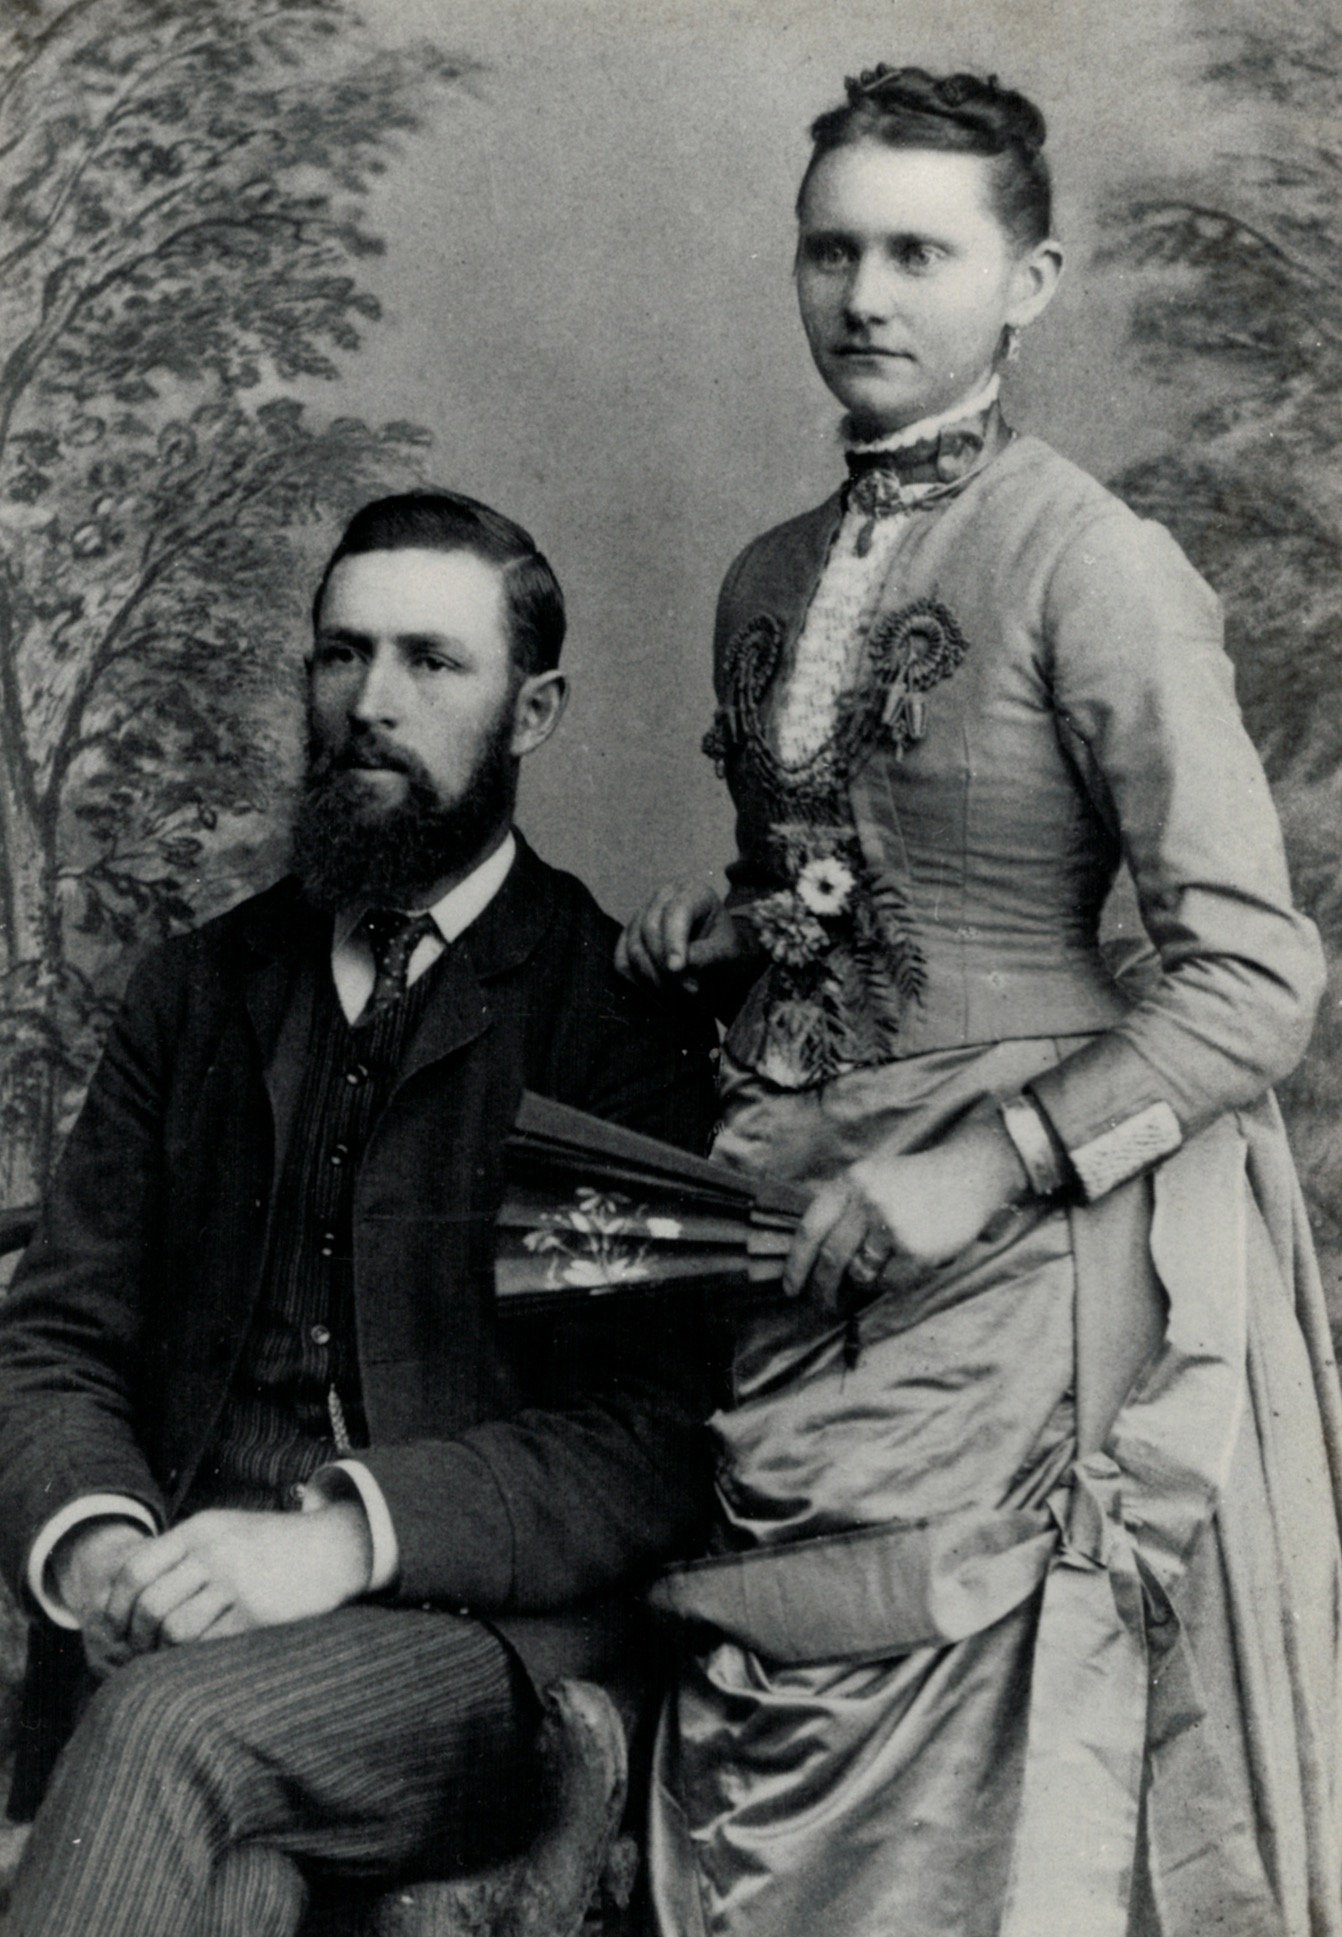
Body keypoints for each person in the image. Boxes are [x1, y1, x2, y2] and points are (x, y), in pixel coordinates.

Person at [618, 65, 1342, 1937]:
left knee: (990, 1805)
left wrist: (988, 1161)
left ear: (1027, 283)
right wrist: (733, 931)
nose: (864, 295)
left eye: (918, 255)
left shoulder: (1095, 563)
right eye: (830, 250)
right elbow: (853, 877)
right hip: (792, 1226)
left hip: (1023, 1274)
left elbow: (1256, 975)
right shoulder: (763, 579)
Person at [0, 490, 718, 1937]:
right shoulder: (199, 990)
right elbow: (57, 1341)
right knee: (233, 1889)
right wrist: (103, 1551)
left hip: (462, 1650)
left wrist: (341, 1538)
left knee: (167, 1727)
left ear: (533, 710)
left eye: (431, 662)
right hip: (177, 1632)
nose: (372, 703)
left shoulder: (610, 1022)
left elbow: (649, 1437)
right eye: (343, 655)